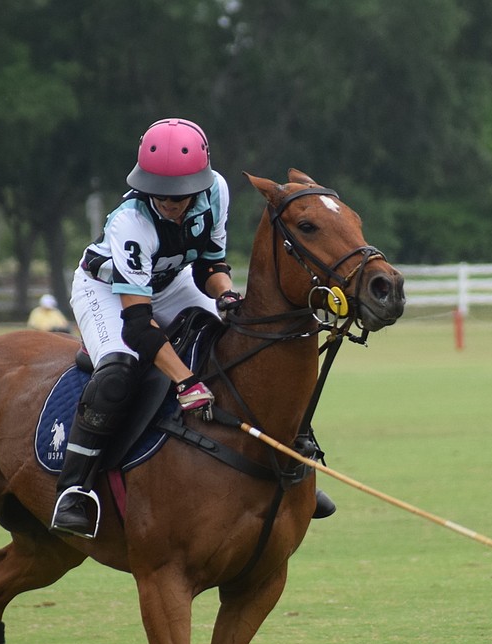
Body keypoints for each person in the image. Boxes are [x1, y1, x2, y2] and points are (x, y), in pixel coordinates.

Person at [50, 117, 333, 538]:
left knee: (241, 335)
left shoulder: (216, 190)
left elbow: (209, 265)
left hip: (174, 280)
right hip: (109, 291)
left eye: (179, 195)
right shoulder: (129, 223)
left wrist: (225, 296)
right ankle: (74, 488)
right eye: (160, 194)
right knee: (118, 369)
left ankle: (293, 454)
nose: (170, 203)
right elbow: (139, 326)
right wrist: (185, 380)